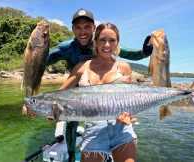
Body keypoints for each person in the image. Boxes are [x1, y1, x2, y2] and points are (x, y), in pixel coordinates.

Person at [26, 8, 152, 162]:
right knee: (70, 124)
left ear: (93, 28)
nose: (83, 31)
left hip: (106, 98)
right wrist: (31, 99)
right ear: (73, 29)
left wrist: (144, 52)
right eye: (78, 27)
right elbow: (41, 60)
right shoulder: (68, 49)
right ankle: (72, 156)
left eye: (87, 27)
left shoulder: (104, 42)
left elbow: (127, 54)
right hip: (76, 92)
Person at [59, 22, 137, 162]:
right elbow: (59, 94)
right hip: (94, 132)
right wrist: (35, 106)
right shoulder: (82, 67)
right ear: (95, 42)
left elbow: (129, 101)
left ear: (117, 43)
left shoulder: (124, 68)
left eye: (112, 40)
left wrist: (129, 116)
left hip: (122, 130)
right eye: (102, 40)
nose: (107, 45)